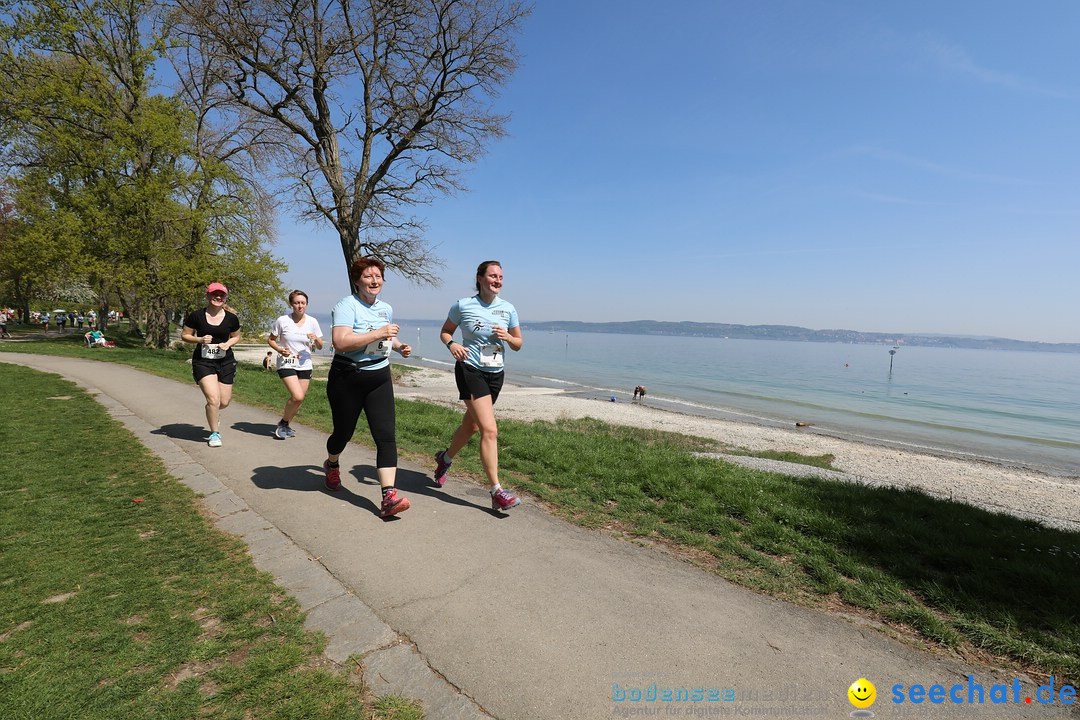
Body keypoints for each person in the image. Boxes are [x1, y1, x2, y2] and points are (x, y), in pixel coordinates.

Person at [322, 257, 412, 518]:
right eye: (368, 276)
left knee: (386, 436)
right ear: (356, 280)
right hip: (347, 377)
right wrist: (378, 334)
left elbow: (388, 336)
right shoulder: (346, 305)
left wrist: (399, 345)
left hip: (379, 377)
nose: (374, 281)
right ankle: (332, 463)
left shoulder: (386, 308)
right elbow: (340, 342)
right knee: (343, 433)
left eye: (378, 276)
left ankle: (389, 497)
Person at [433, 260, 524, 512]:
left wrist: (508, 338)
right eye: (493, 276)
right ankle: (497, 491)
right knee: (490, 430)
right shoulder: (463, 305)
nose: (498, 281)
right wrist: (452, 345)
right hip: (470, 369)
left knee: (472, 425)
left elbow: (518, 343)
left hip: (496, 374)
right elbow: (445, 332)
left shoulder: (508, 309)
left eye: (501, 277)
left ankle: (445, 458)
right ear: (480, 278)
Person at [180, 282, 241, 447]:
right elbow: (185, 335)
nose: (218, 297)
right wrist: (199, 339)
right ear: (208, 296)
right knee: (213, 400)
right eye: (215, 294)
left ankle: (213, 413)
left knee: (224, 402)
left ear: (225, 298)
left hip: (225, 361)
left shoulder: (231, 318)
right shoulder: (197, 316)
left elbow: (236, 336)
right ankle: (214, 433)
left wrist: (228, 344)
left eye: (221, 295)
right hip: (203, 362)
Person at [267, 290, 324, 439]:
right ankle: (283, 423)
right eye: (297, 303)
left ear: (307, 304)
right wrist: (279, 349)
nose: (300, 306)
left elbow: (320, 346)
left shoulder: (312, 322)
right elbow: (271, 339)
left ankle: (285, 424)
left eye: (303, 303)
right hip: (286, 362)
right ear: (292, 304)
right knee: (297, 396)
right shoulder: (282, 320)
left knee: (300, 400)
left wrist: (316, 339)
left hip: (305, 364)